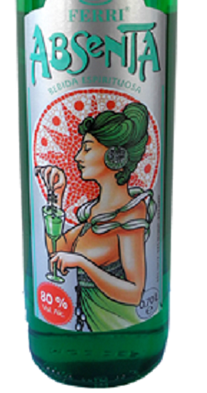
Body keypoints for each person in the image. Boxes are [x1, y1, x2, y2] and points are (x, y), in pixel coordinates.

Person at [37, 101, 156, 332]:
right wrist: (56, 198)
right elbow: (56, 251)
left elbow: (134, 292)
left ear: (114, 156)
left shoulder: (131, 213)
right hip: (81, 324)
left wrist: (82, 263)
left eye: (87, 148)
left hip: (123, 327)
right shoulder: (94, 213)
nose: (77, 157)